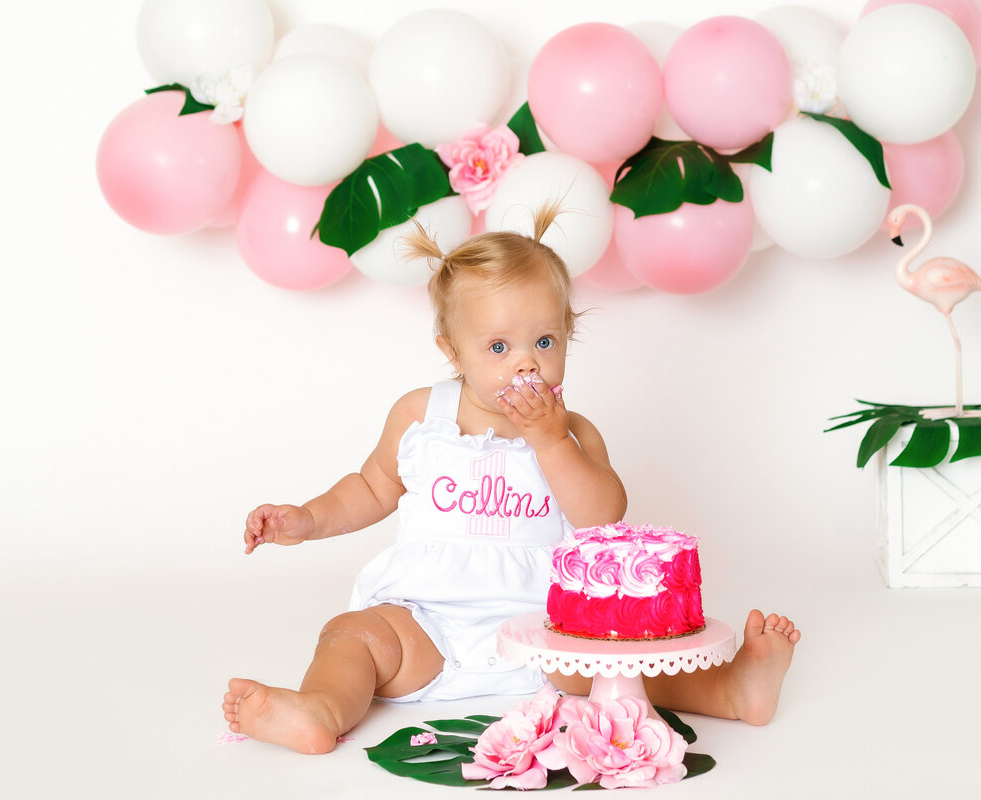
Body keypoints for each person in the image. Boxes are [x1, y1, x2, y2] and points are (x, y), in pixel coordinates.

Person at [222, 204, 801, 755]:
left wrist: (550, 441)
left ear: (567, 337)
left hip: (546, 626)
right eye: (498, 347)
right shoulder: (422, 417)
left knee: (618, 664)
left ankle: (731, 689)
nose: (526, 362)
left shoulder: (572, 433)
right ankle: (319, 711)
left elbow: (603, 517)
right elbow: (372, 488)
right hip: (426, 619)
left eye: (544, 342)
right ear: (453, 351)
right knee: (353, 635)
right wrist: (307, 519)